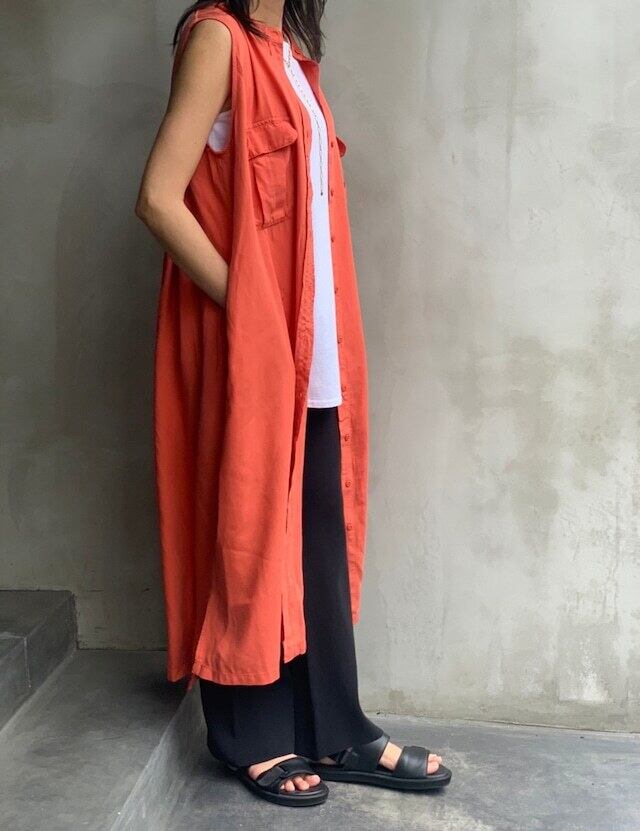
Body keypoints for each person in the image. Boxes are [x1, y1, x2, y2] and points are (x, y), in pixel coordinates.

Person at [136, 0, 451, 807]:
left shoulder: (288, 56)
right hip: (253, 342)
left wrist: (306, 335)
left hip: (316, 345)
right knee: (245, 524)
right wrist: (252, 312)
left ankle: (336, 727)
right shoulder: (219, 39)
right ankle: (249, 732)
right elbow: (160, 197)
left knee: (315, 534)